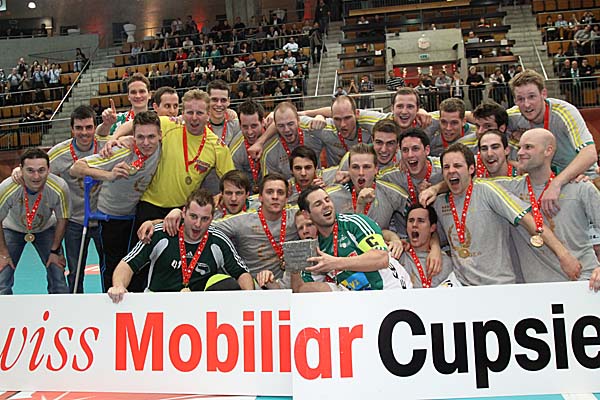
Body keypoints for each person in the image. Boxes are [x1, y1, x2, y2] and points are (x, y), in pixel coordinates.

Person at [432, 143, 581, 286]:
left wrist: (563, 255)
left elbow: (529, 221)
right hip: (463, 287)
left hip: (498, 284)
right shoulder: (440, 203)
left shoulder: (487, 190)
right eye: (446, 167)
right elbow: (432, 231)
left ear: (471, 169)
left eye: (457, 165)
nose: (451, 171)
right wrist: (435, 247)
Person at [108, 89, 235, 225]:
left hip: (182, 211)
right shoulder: (168, 125)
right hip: (149, 205)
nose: (194, 118)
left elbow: (232, 182)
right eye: (189, 112)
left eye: (199, 113)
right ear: (183, 113)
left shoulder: (218, 147)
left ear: (208, 114)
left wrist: (219, 196)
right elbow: (134, 123)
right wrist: (115, 138)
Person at [69, 111, 162, 292]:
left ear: (160, 135)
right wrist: (109, 175)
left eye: (151, 137)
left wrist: (116, 135)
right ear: (134, 137)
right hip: (111, 216)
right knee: (112, 265)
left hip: (137, 215)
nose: (146, 142)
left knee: (137, 264)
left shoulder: (162, 147)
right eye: (140, 137)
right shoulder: (122, 150)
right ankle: (110, 300)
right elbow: (76, 168)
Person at [107, 188, 253, 302]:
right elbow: (127, 264)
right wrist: (119, 286)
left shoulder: (218, 241)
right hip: (157, 306)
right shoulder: (161, 234)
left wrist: (249, 299)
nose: (197, 224)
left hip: (198, 310)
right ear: (183, 213)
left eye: (204, 219)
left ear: (211, 218)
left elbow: (242, 273)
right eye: (193, 216)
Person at [492, 128, 599, 283]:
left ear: (548, 150)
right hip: (537, 288)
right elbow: (468, 185)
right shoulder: (507, 189)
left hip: (583, 282)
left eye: (528, 147)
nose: (520, 153)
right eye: (520, 147)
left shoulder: (579, 187)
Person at [507, 69, 598, 216]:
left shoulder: (564, 112)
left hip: (579, 177)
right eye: (520, 99)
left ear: (543, 94)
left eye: (532, 97)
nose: (527, 104)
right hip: (545, 181)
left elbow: (590, 153)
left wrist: (557, 183)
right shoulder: (513, 115)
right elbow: (480, 118)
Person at [296, 185, 406, 291]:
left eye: (327, 200)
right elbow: (302, 289)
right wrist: (293, 268)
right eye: (318, 204)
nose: (326, 205)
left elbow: (382, 258)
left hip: (391, 288)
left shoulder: (354, 223)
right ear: (306, 214)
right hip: (356, 295)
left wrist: (335, 263)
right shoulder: (315, 248)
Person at [0, 149, 70, 295]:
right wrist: (3, 253)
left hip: (46, 228)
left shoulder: (59, 187)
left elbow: (62, 219)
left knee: (58, 275)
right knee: (2, 275)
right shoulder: (7, 188)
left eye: (41, 170)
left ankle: (60, 308)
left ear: (49, 169)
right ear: (21, 169)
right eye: (30, 170)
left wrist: (54, 251)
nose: (36, 176)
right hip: (12, 228)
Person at [328, 143, 409, 233]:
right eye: (355, 167)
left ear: (376, 169)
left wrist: (398, 238)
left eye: (366, 167)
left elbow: (415, 214)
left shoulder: (391, 193)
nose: (361, 173)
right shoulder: (331, 197)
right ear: (349, 169)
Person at [400, 205, 454, 288]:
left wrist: (435, 246)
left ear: (432, 228)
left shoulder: (445, 262)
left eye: (421, 221)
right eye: (411, 221)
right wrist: (394, 238)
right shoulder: (399, 255)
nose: (414, 224)